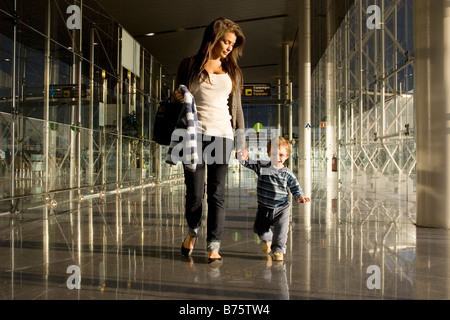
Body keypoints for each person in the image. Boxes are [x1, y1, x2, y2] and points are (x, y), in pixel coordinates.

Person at [172, 18, 246, 262]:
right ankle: (193, 232)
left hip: (222, 135)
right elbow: (177, 97)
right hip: (193, 136)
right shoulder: (190, 65)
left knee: (217, 193)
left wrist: (241, 143)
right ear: (213, 38)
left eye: (232, 44)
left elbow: (237, 109)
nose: (228, 47)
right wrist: (177, 97)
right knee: (194, 192)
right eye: (226, 41)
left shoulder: (233, 71)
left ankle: (214, 244)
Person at [237, 136, 311, 261]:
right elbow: (248, 162)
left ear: (287, 156)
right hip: (263, 208)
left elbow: (295, 186)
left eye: (281, 155)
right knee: (259, 229)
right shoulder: (262, 167)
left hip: (281, 209)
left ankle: (278, 250)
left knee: (281, 231)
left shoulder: (287, 173)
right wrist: (242, 157)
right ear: (269, 154)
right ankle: (267, 240)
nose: (277, 158)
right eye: (274, 154)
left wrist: (300, 196)